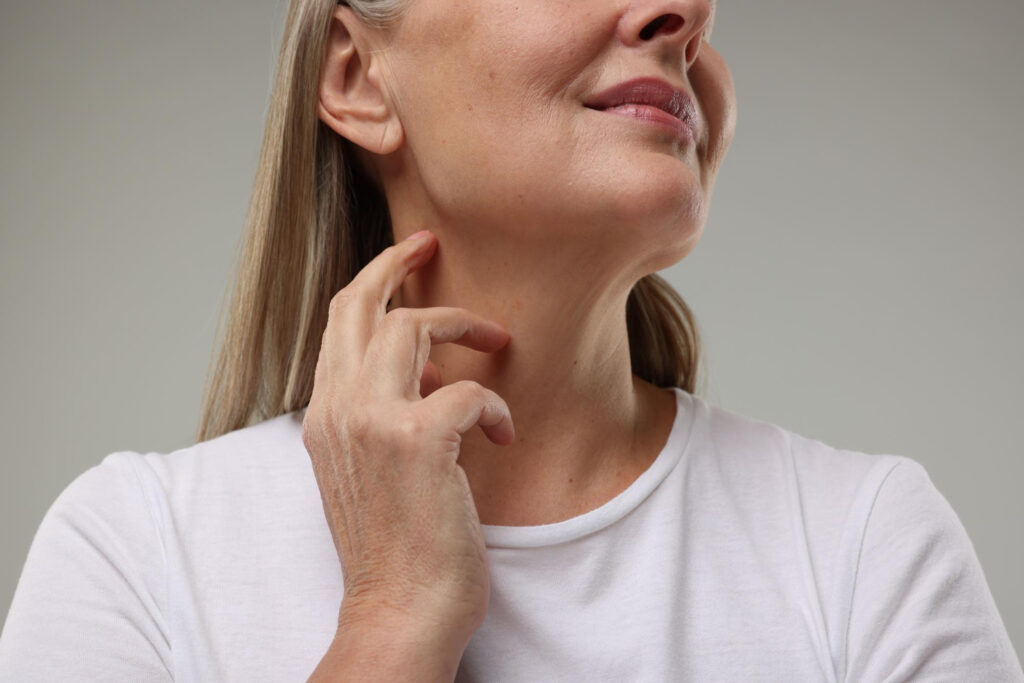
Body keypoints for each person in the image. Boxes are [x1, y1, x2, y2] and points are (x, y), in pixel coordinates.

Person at [1, 0, 1021, 680]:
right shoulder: (133, 551)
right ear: (358, 75)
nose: (686, 11)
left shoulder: (864, 544)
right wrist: (393, 617)